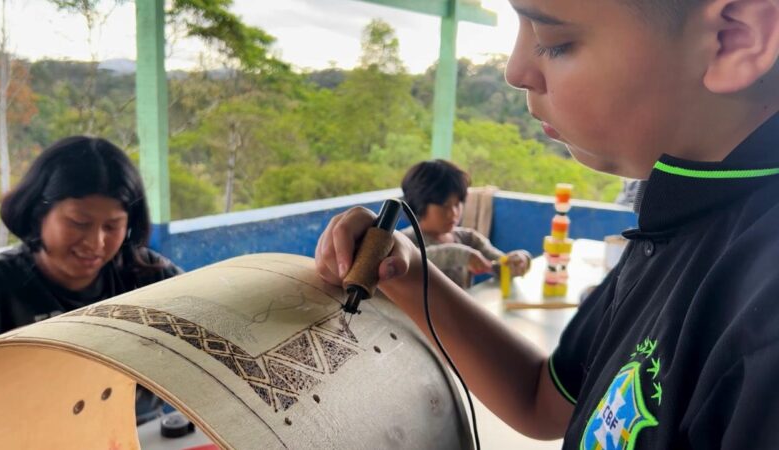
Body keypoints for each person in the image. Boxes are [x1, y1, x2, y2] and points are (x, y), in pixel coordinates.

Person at [315, 0, 779, 447]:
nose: (514, 71)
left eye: (554, 41)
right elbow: (544, 401)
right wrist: (410, 269)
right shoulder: (681, 222)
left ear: (734, 38)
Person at [0, 136, 182, 422]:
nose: (95, 243)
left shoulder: (148, 275)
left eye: (112, 226)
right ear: (39, 213)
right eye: (78, 223)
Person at [400, 159, 531, 288]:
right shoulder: (402, 242)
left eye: (457, 204)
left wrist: (519, 261)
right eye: (445, 206)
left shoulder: (469, 239)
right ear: (419, 205)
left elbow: (500, 264)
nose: (453, 213)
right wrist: (460, 255)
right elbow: (415, 260)